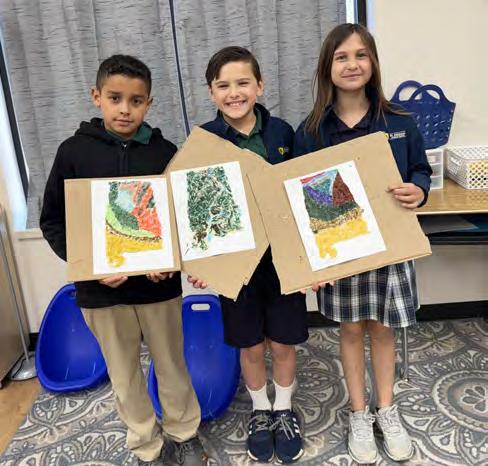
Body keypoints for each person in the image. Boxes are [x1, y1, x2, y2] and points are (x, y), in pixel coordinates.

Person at [40, 54, 208, 466]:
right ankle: (146, 446)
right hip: (101, 294)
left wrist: (172, 259)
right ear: (96, 96)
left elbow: (180, 219)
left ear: (149, 103)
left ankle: (184, 433)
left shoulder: (165, 152)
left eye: (136, 101)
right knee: (123, 375)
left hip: (158, 289)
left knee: (172, 365)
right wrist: (90, 266)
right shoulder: (73, 153)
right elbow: (53, 221)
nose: (125, 109)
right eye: (115, 98)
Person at [294, 24, 432, 464]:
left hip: (391, 248)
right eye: (341, 57)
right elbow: (298, 199)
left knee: (384, 330)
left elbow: (421, 170)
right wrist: (308, 263)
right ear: (327, 67)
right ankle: (358, 413)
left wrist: (419, 189)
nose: (352, 64)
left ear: (373, 63)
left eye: (361, 55)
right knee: (351, 330)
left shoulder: (400, 122)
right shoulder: (311, 130)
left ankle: (385, 409)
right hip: (342, 251)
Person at [188, 46, 308, 464]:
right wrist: (201, 263)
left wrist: (311, 260)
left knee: (284, 341)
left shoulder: (283, 134)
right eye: (223, 85)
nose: (234, 92)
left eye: (243, 82)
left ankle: (283, 408)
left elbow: (300, 196)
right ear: (211, 92)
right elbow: (196, 208)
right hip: (234, 266)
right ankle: (261, 410)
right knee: (250, 344)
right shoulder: (203, 141)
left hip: (282, 261)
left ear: (260, 86)